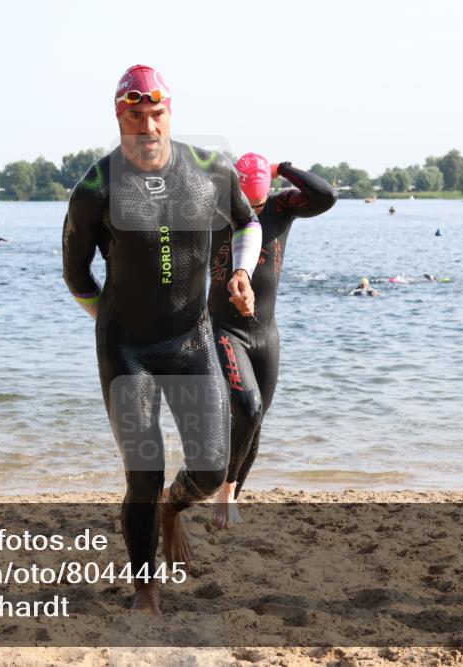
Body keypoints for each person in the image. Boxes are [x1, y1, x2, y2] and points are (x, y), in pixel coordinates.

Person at [61, 64, 262, 614]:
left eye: (157, 114)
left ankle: (174, 508)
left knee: (212, 468)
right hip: (127, 350)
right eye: (135, 117)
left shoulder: (211, 169)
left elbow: (247, 223)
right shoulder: (95, 188)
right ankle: (145, 590)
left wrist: (241, 273)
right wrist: (112, 324)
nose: (147, 127)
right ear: (118, 116)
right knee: (143, 474)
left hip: (190, 339)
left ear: (169, 112)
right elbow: (76, 276)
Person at [208, 153, 336, 528]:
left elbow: (326, 196)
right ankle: (223, 490)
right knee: (247, 409)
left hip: (265, 334)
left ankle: (231, 494)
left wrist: (283, 169)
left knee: (255, 421)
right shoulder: (216, 210)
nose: (253, 211)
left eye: (258, 203)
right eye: (246, 202)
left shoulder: (281, 207)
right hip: (224, 329)